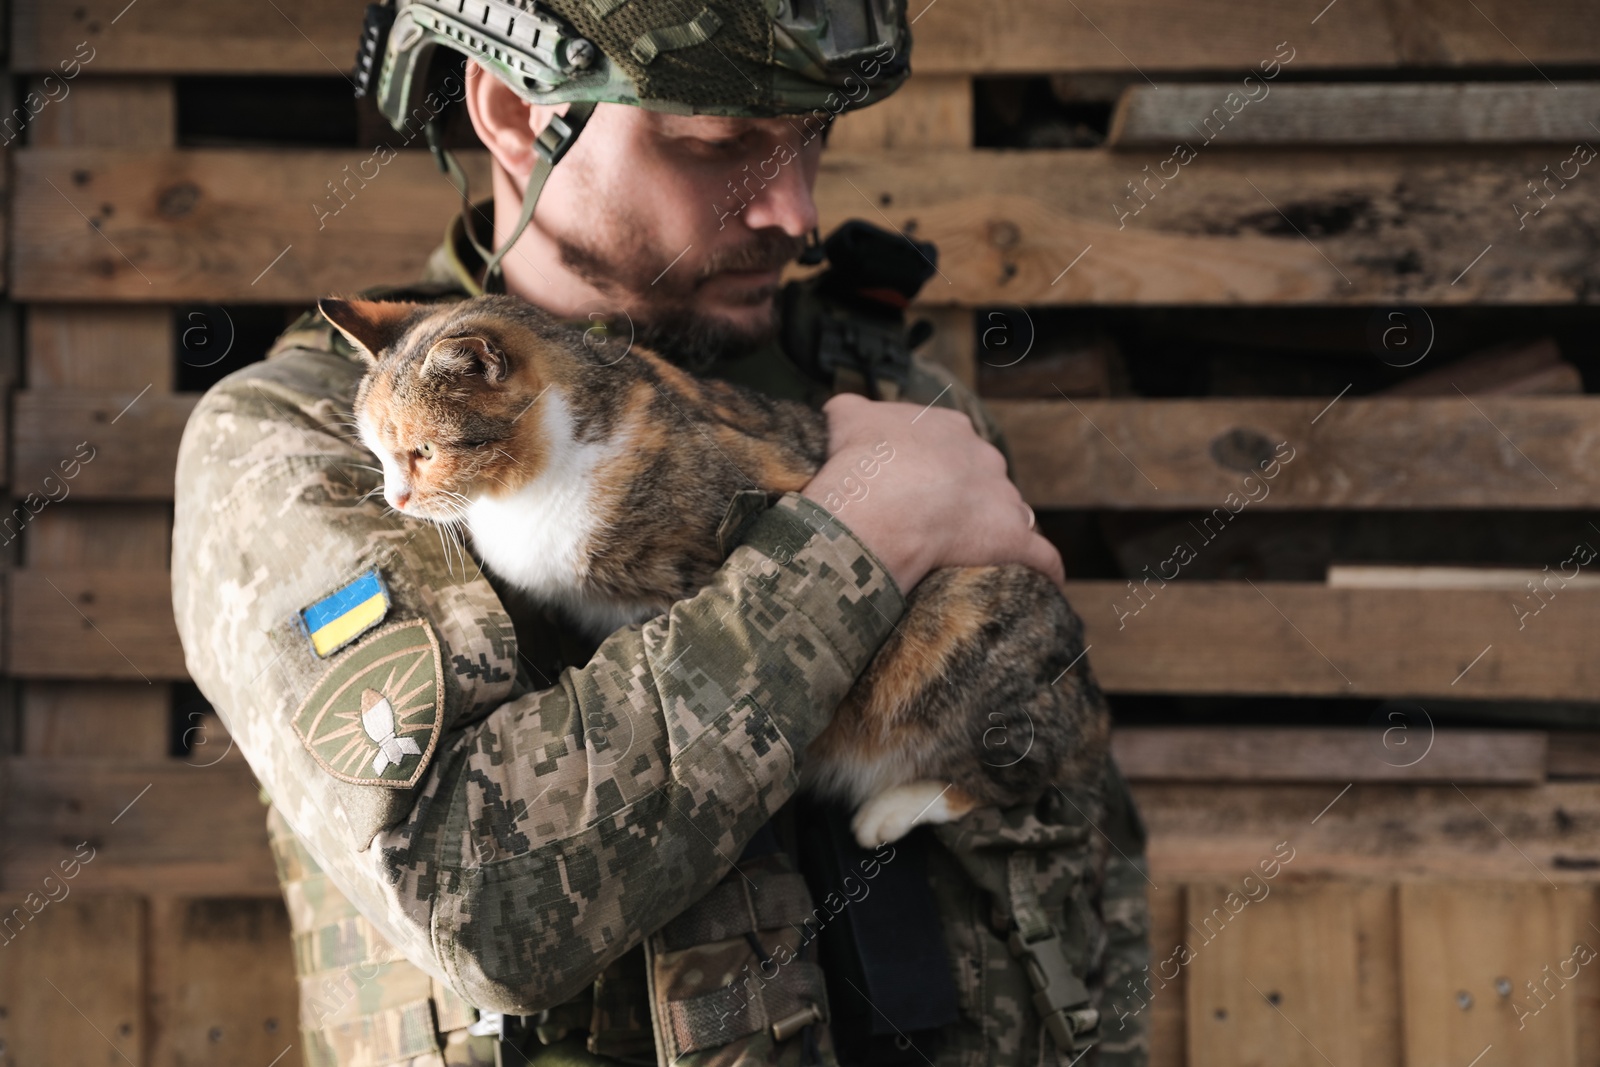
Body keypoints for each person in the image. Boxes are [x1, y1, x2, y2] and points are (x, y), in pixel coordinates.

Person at [171, 1, 1150, 1063]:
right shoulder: (303, 442)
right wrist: (853, 539)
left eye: (809, 141)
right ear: (511, 112)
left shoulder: (898, 400)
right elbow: (478, 896)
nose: (792, 210)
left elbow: (1082, 840)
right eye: (717, 144)